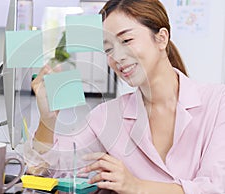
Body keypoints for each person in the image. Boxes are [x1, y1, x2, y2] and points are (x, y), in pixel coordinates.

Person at [31, 0, 225, 193]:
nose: (118, 56)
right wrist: (47, 118)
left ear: (161, 38)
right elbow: (45, 173)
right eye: (108, 49)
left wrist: (136, 186)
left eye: (126, 40)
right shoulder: (107, 116)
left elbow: (215, 187)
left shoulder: (218, 103)